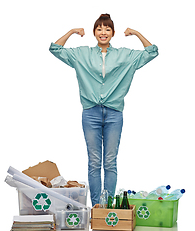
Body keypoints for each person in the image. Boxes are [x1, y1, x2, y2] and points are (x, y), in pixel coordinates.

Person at [49, 14, 158, 206]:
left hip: (114, 113)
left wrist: (136, 33)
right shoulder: (82, 54)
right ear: (94, 33)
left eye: (107, 29)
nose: (103, 33)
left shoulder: (125, 55)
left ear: (113, 33)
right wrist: (72, 32)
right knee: (94, 162)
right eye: (99, 29)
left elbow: (152, 51)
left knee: (110, 162)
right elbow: (55, 49)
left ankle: (107, 206)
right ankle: (96, 207)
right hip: (90, 112)